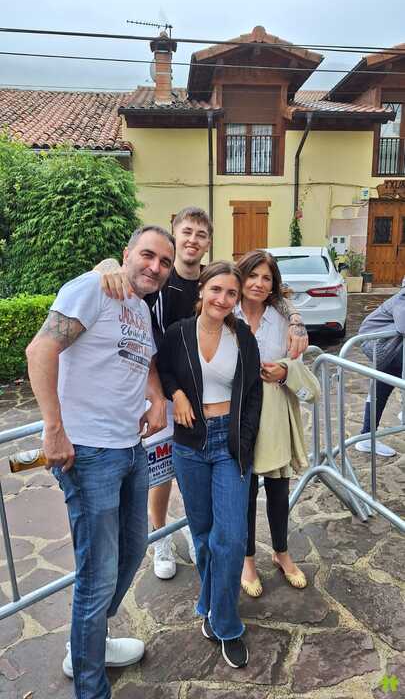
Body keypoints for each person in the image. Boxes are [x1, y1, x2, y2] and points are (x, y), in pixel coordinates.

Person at [96, 208, 308, 580]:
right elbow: (127, 275)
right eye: (187, 232)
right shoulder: (160, 277)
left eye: (201, 234)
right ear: (175, 234)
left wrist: (295, 318)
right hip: (164, 389)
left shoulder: (218, 286)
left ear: (209, 243)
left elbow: (266, 292)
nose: (193, 240)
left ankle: (202, 538)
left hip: (216, 401)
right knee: (161, 473)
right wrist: (108, 265)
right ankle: (163, 538)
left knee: (214, 480)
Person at [26, 226, 174, 699]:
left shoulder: (140, 309)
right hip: (89, 453)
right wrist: (53, 427)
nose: (155, 266)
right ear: (126, 253)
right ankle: (91, 684)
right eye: (147, 255)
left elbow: (143, 364)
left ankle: (87, 640)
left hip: (130, 448)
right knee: (98, 574)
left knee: (133, 550)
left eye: (164, 262)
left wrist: (157, 399)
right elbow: (40, 349)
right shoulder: (93, 288)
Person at [157, 261, 262, 668]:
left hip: (229, 446)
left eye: (231, 293)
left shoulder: (243, 337)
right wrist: (177, 393)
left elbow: (253, 394)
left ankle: (226, 623)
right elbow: (164, 369)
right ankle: (212, 602)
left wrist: (244, 440)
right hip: (190, 445)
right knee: (202, 535)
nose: (223, 298)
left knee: (231, 538)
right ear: (202, 290)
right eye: (216, 289)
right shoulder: (178, 333)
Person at [235, 250, 309, 598]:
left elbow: (297, 363)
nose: (258, 283)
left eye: (266, 278)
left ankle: (281, 552)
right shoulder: (226, 312)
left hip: (274, 414)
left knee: (279, 489)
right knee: (245, 490)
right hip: (237, 414)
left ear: (273, 284)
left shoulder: (281, 320)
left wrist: (283, 371)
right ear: (241, 277)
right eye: (252, 275)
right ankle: (248, 559)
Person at [355, 283, 405, 457]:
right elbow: (403, 326)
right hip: (379, 346)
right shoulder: (403, 297)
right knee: (380, 388)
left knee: (379, 390)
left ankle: (366, 437)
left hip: (392, 349)